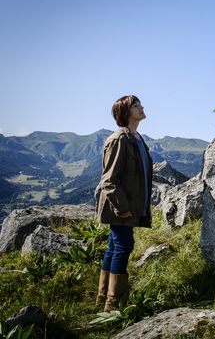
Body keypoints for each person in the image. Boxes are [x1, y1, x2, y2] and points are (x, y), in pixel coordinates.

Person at [95, 95, 153, 312]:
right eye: (136, 105)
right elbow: (109, 180)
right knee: (123, 246)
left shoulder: (136, 138)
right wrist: (123, 208)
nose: (142, 107)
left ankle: (103, 298)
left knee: (114, 246)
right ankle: (113, 304)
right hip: (120, 207)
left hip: (130, 205)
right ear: (125, 112)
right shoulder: (119, 139)